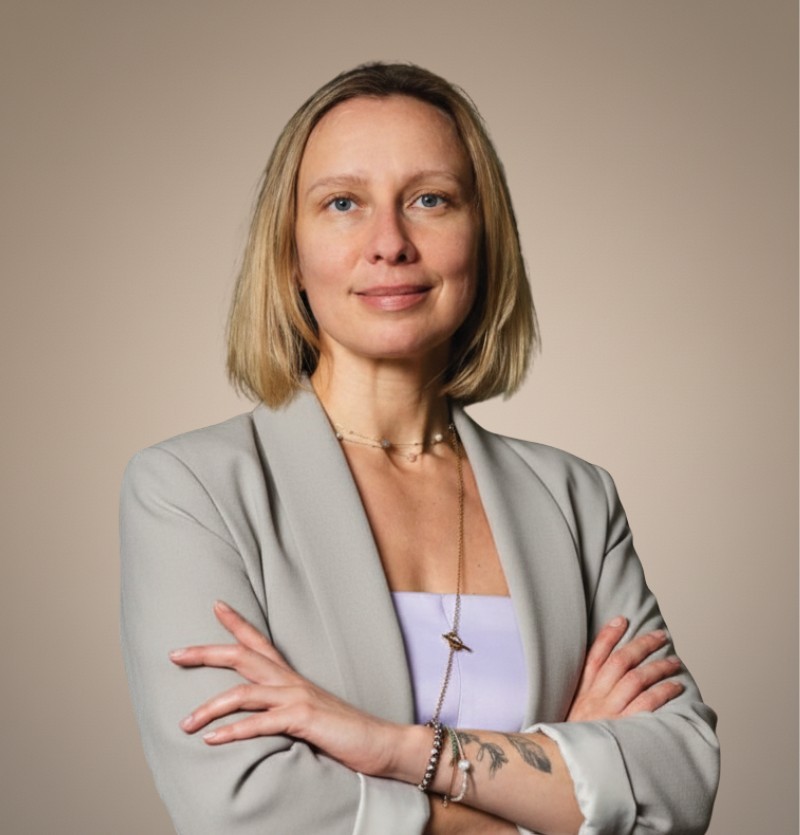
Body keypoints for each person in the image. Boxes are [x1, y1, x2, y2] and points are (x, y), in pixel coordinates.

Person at [120, 63, 719, 834]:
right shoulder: (191, 490)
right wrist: (563, 790)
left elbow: (680, 780)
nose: (390, 244)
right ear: (290, 254)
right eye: (343, 203)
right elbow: (243, 809)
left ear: (483, 236)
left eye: (430, 199)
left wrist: (397, 750)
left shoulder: (575, 498)